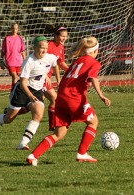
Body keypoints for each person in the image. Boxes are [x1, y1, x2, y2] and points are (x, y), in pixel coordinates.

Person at [26, 36, 111, 166]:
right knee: (93, 121)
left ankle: (33, 156)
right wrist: (101, 95)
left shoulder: (77, 61)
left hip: (61, 97)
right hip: (74, 97)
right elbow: (93, 77)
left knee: (59, 133)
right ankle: (82, 153)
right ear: (95, 51)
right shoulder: (94, 63)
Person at [0, 36, 58, 150]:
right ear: (34, 47)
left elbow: (55, 65)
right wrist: (30, 96)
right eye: (42, 48)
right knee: (9, 119)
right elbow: (22, 83)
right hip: (22, 90)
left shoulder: (50, 57)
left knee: (38, 114)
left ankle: (22, 143)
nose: (44, 51)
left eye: (46, 48)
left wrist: (55, 79)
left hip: (37, 90)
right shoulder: (29, 61)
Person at [16, 25, 69, 132]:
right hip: (40, 79)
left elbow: (59, 63)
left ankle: (12, 111)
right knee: (54, 99)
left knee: (35, 105)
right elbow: (40, 60)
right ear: (55, 35)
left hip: (46, 78)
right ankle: (52, 126)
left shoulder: (61, 47)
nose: (64, 38)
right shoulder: (48, 45)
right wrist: (45, 76)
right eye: (62, 36)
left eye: (66, 36)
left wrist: (70, 70)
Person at [1, 23, 26, 90]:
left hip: (18, 62)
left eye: (16, 28)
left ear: (17, 29)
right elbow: (3, 50)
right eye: (13, 28)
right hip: (9, 61)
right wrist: (1, 60)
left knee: (18, 77)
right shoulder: (6, 38)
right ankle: (13, 92)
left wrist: (25, 60)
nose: (14, 30)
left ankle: (14, 91)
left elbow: (22, 51)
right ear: (11, 29)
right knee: (15, 77)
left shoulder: (20, 39)